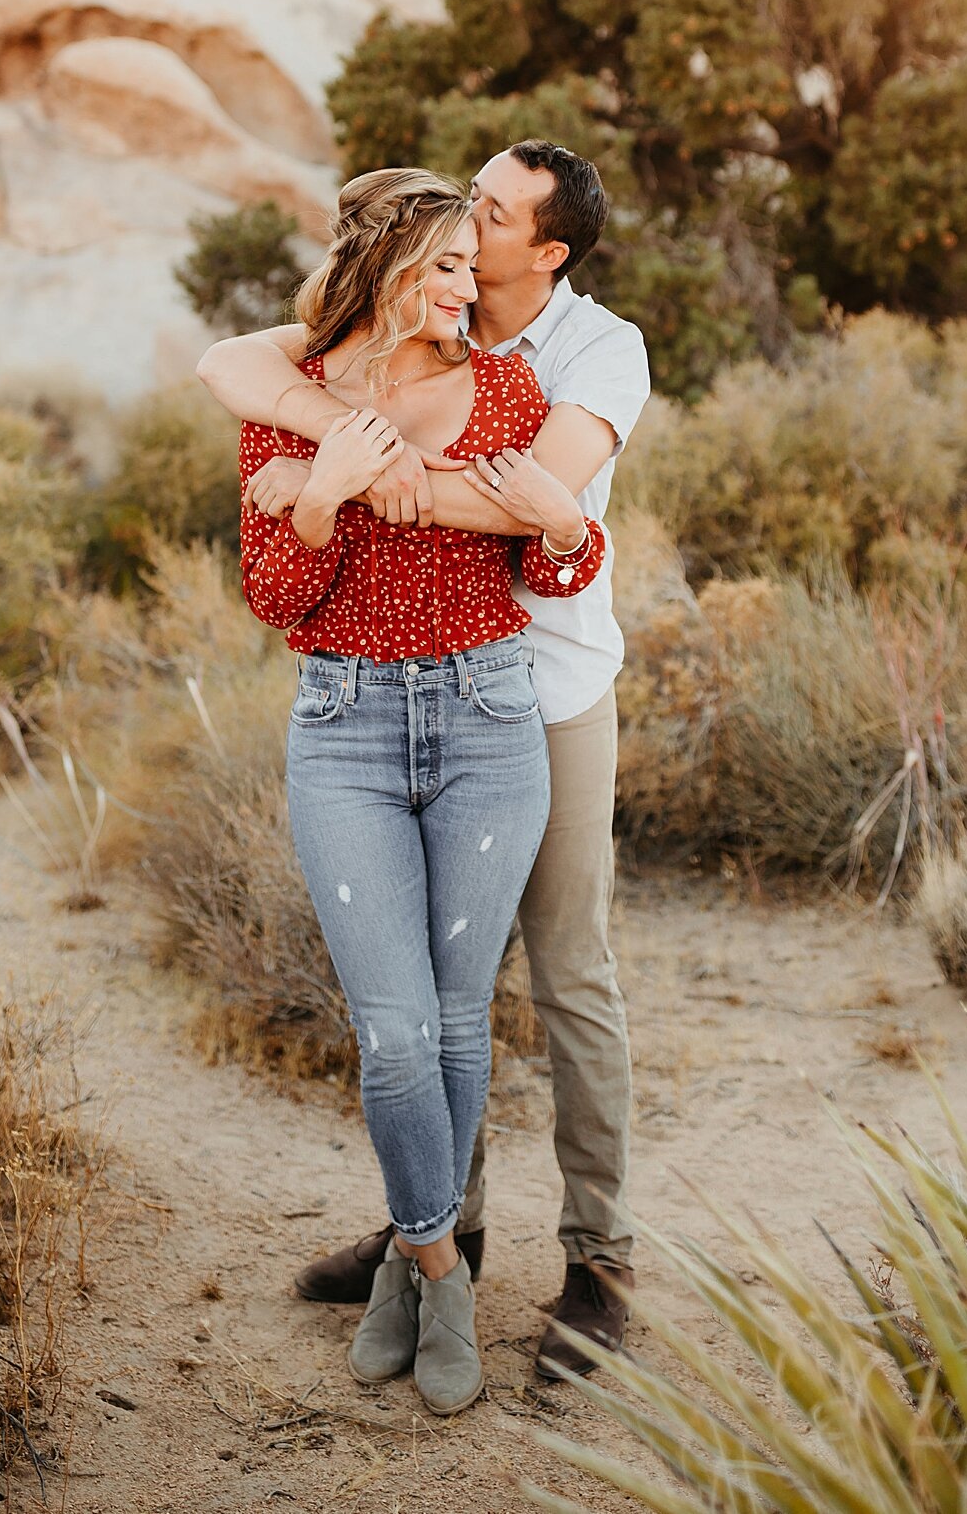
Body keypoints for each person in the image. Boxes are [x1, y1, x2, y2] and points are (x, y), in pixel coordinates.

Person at [201, 140, 651, 1380]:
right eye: (460, 222)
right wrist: (321, 440)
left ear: (542, 252)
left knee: (561, 975)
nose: (476, 228)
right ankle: (442, 1237)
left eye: (494, 220)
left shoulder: (585, 355)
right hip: (369, 700)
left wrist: (352, 478)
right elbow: (227, 362)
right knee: (431, 1011)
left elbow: (534, 518)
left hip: (542, 694)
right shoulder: (361, 345)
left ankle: (601, 1261)